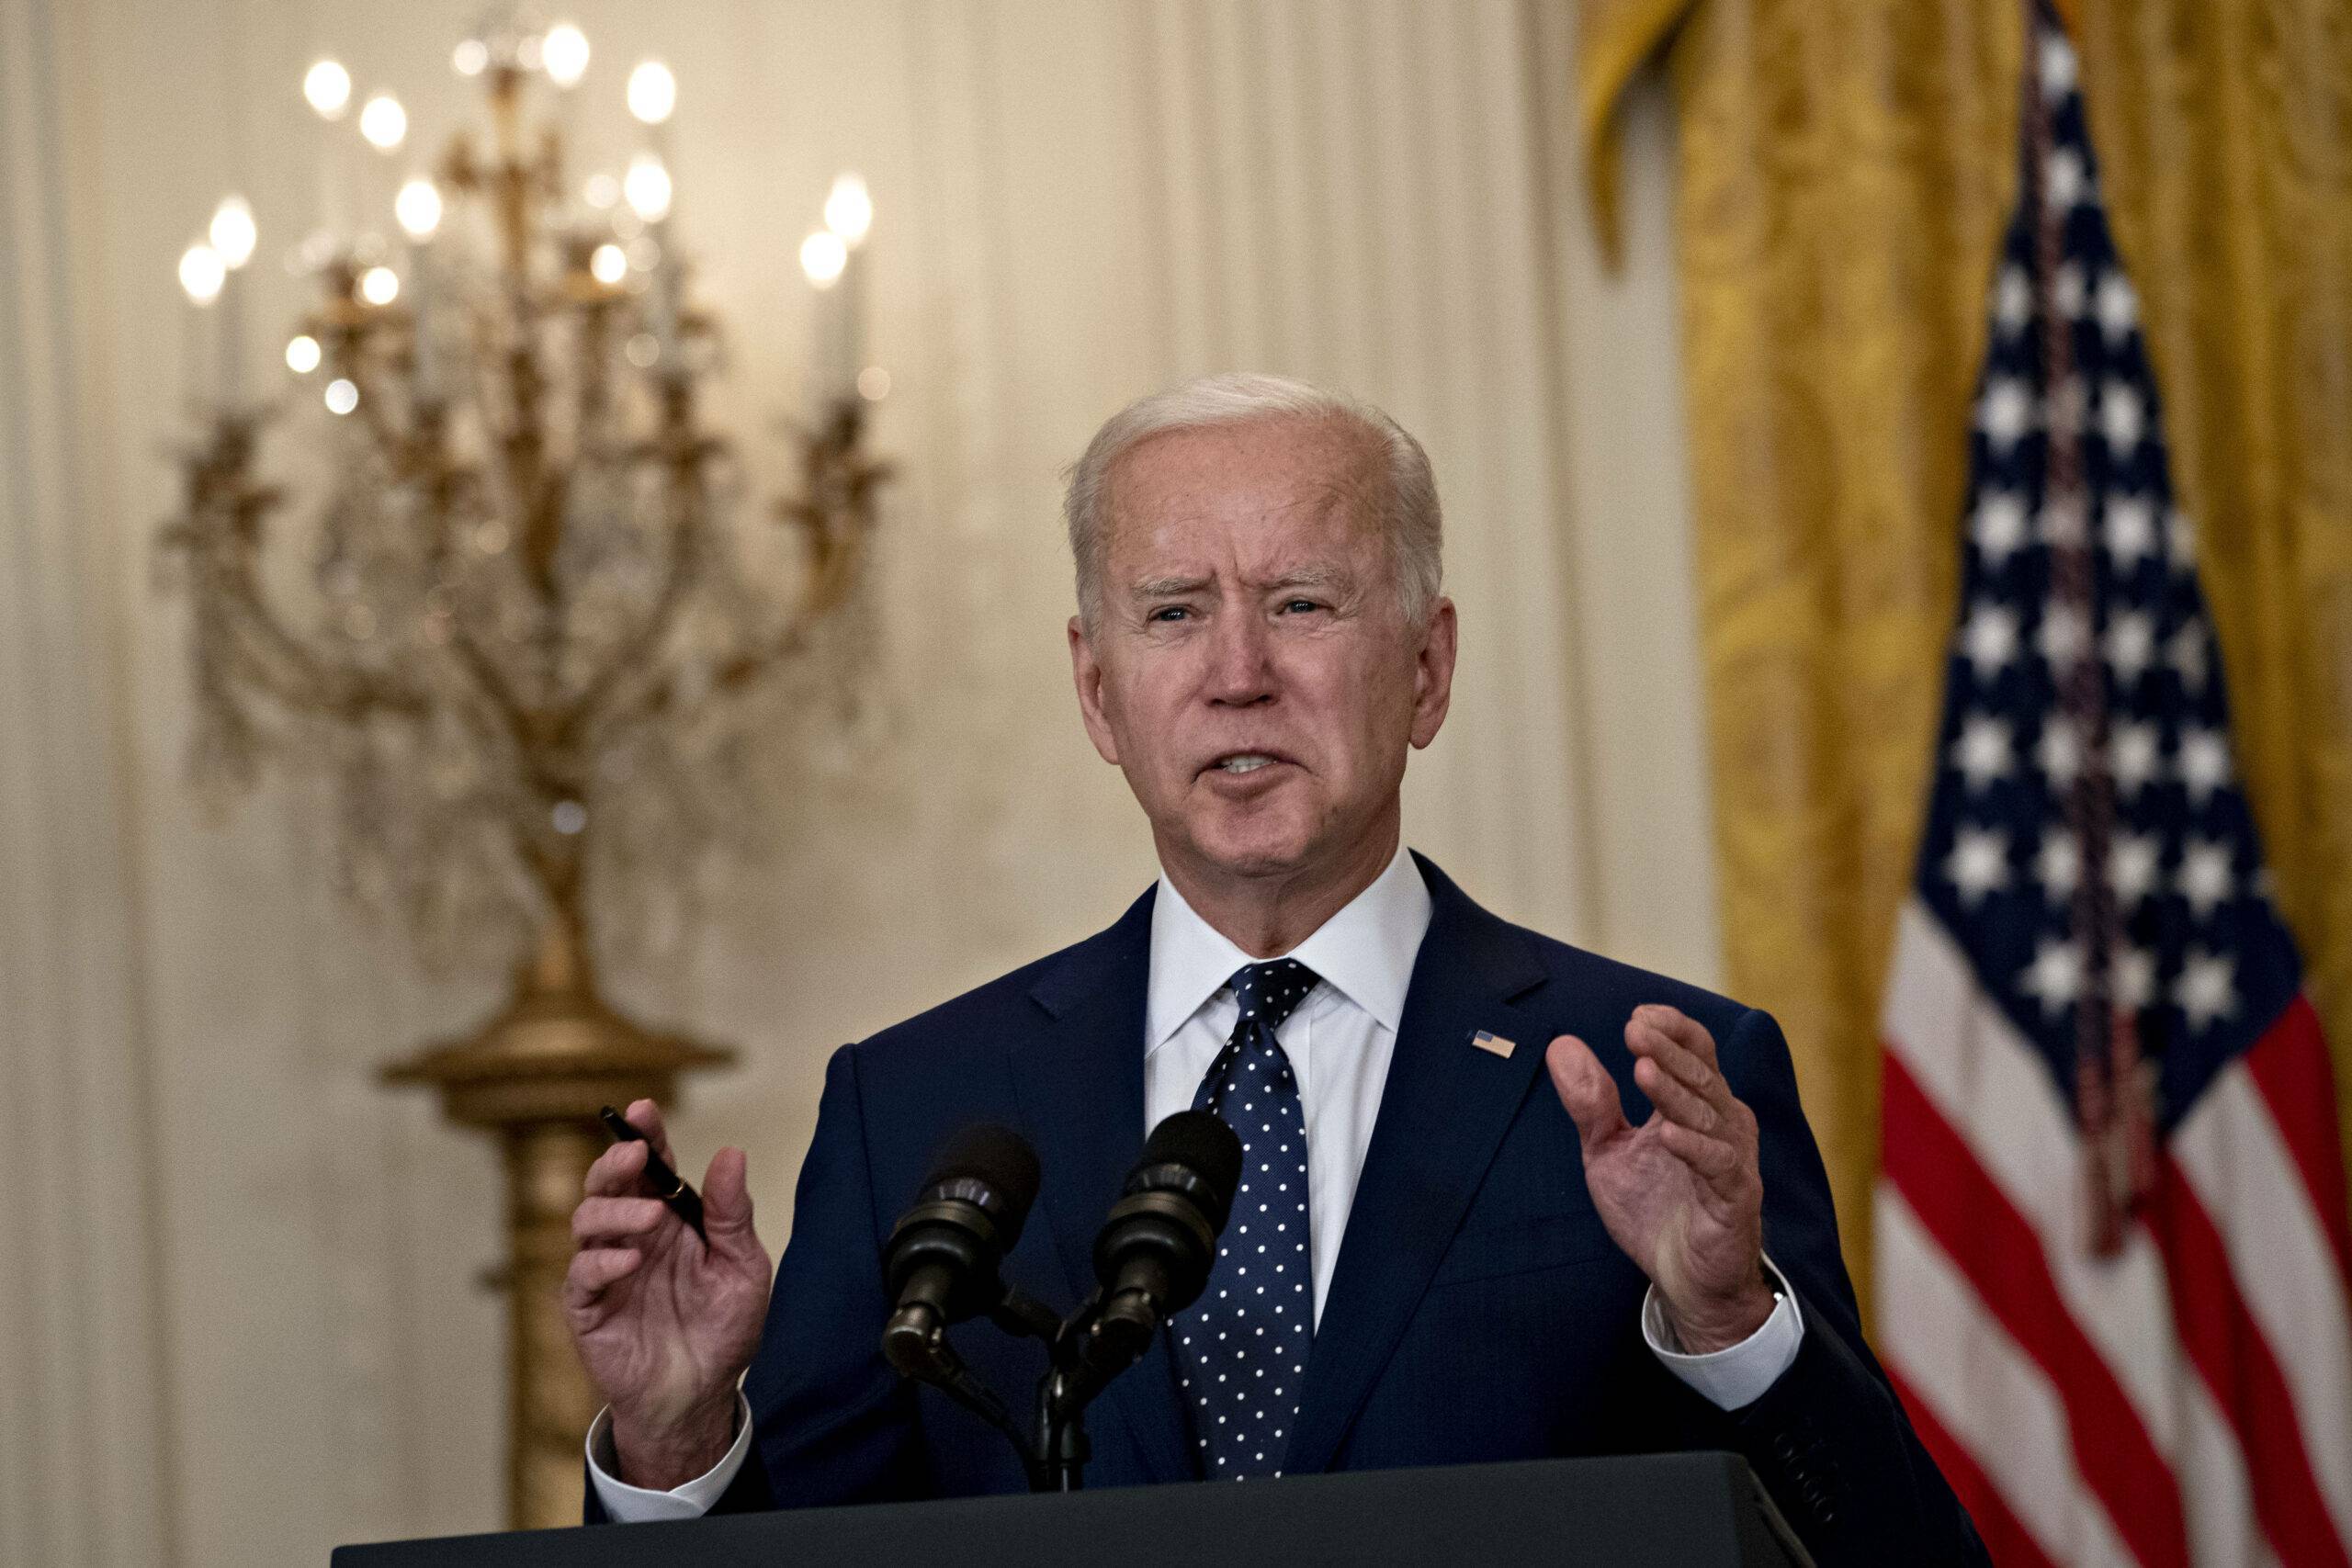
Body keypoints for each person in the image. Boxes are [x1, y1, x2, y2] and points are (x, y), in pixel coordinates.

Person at [562, 374, 1988, 1563]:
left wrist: (1730, 1325)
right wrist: (678, 1440)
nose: (1238, 671)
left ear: (1428, 670)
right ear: (1097, 691)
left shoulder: (1652, 1083)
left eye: (1303, 603)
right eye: (1174, 611)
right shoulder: (917, 1109)